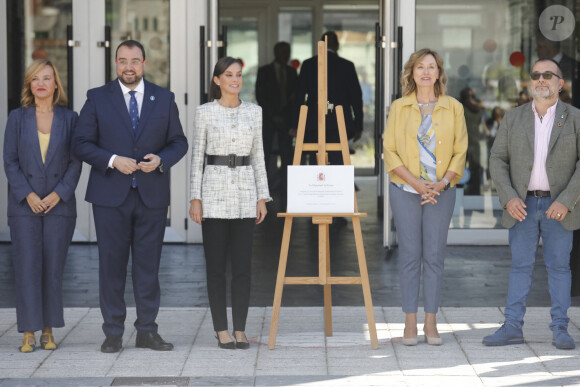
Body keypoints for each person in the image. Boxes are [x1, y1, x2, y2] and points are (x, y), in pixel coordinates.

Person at [72, 40, 188, 353]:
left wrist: (161, 160)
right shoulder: (97, 98)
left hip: (151, 196)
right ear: (115, 63)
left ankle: (147, 331)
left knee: (148, 268)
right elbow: (80, 143)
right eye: (123, 60)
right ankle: (113, 333)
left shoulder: (163, 98)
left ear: (144, 63)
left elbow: (179, 142)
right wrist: (112, 160)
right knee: (111, 266)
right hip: (110, 196)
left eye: (134, 61)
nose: (128, 67)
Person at [484, 58, 580, 350]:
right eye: (536, 75)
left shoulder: (575, 118)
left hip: (558, 207)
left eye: (547, 75)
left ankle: (560, 328)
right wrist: (509, 196)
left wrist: (566, 200)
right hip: (522, 204)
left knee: (559, 268)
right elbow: (497, 159)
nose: (541, 79)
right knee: (520, 266)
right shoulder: (514, 118)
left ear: (560, 83)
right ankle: (512, 326)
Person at [383, 48, 468, 346]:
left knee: (434, 258)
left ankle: (431, 322)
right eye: (420, 67)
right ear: (412, 72)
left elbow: (461, 151)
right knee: (409, 256)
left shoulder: (453, 107)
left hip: (441, 193)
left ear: (439, 73)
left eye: (431, 67)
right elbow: (389, 152)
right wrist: (417, 184)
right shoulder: (399, 107)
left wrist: (441, 183)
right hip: (406, 190)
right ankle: (409, 323)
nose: (426, 72)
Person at [189, 57, 270, 350]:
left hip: (246, 193)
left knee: (242, 267)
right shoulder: (204, 113)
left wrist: (262, 196)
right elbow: (197, 156)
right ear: (217, 80)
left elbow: (259, 155)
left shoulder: (255, 112)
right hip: (212, 193)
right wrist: (195, 197)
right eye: (228, 75)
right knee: (215, 267)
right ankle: (220, 328)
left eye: (238, 75)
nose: (235, 80)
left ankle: (240, 329)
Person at [3, 59, 81, 352]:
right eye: (35, 79)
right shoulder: (17, 118)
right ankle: (28, 332)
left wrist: (58, 194)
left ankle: (48, 330)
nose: (41, 84)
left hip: (59, 207)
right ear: (29, 85)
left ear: (55, 84)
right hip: (25, 207)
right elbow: (9, 160)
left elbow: (76, 162)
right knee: (26, 268)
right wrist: (28, 194)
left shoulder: (70, 119)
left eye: (46, 78)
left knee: (52, 269)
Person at [292, 31, 363, 166]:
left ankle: (316, 186)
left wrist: (295, 124)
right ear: (337, 46)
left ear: (320, 45)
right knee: (338, 160)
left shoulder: (308, 64)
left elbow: (299, 96)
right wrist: (358, 125)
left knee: (315, 159)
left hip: (313, 120)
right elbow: (356, 97)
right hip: (340, 120)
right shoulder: (346, 65)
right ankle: (337, 187)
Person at [255, 42, 298, 197]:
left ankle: (287, 189)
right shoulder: (264, 71)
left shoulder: (292, 72)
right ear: (275, 52)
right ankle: (263, 191)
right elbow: (261, 95)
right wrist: (273, 115)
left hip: (286, 121)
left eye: (288, 52)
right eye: (282, 52)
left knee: (287, 155)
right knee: (264, 155)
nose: (286, 55)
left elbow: (296, 97)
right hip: (268, 120)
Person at [459, 87, 485, 195]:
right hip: (475, 141)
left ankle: (461, 193)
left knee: (460, 169)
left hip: (464, 142)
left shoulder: (462, 109)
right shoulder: (478, 108)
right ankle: (475, 192)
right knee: (475, 169)